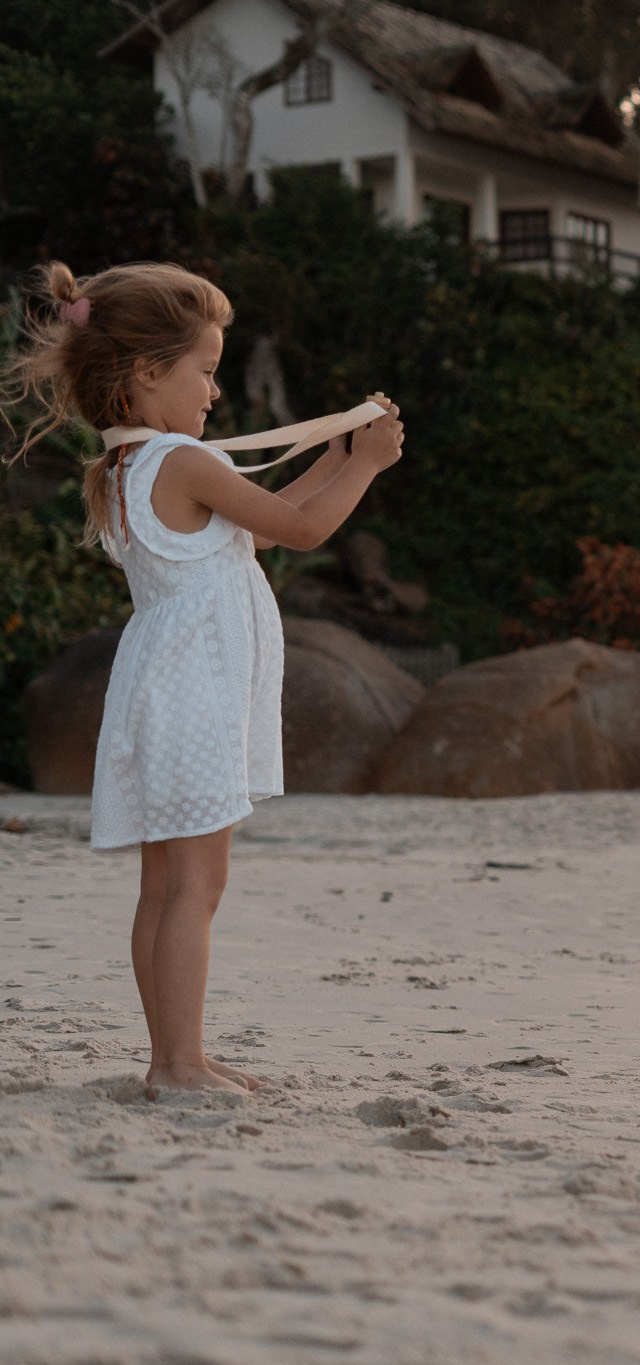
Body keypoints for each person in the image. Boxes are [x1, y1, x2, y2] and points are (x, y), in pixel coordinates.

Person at [2, 261, 405, 1098]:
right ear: (148, 372)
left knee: (166, 885)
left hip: (163, 689)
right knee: (196, 885)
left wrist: (337, 454)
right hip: (194, 694)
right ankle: (178, 1064)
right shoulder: (180, 459)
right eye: (207, 370)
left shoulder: (130, 463)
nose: (215, 391)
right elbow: (301, 530)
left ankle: (174, 1055)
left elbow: (261, 530)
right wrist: (366, 466)